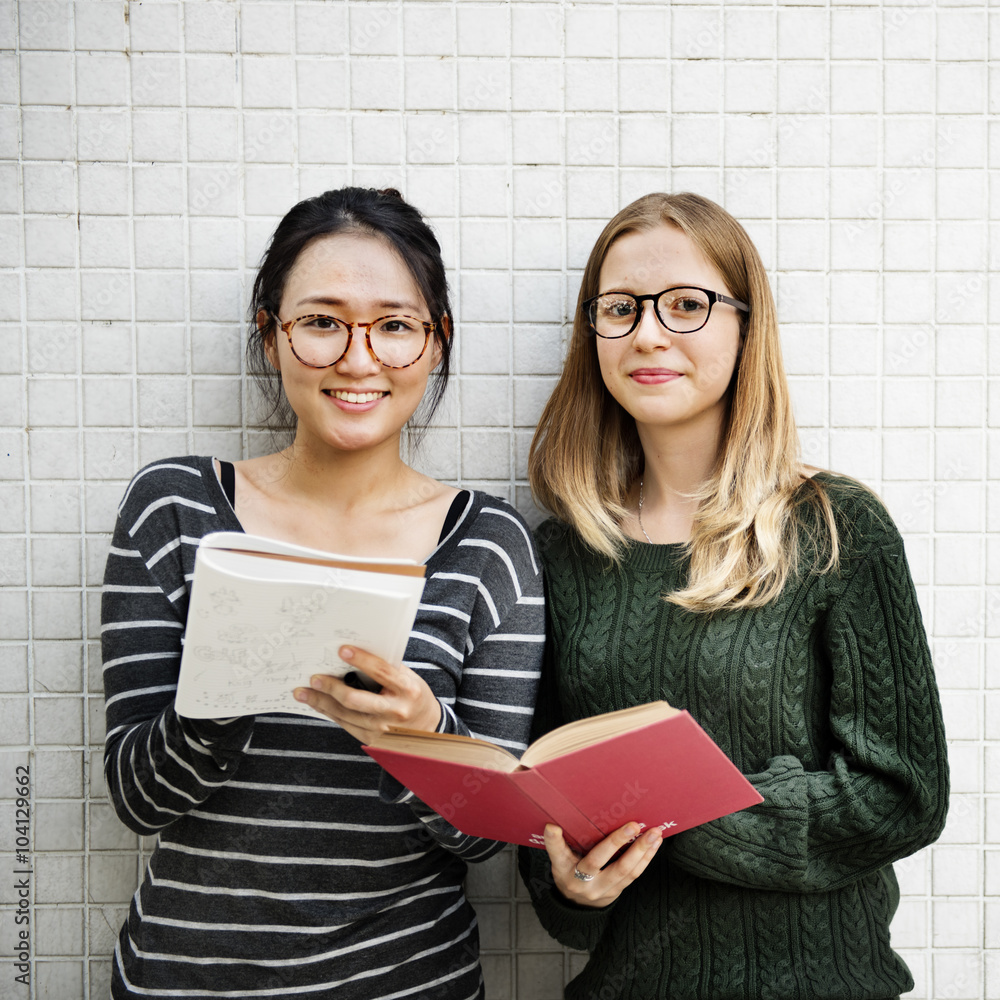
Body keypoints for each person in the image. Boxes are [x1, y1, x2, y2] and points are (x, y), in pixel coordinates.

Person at [101, 187, 544, 999]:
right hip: (185, 977)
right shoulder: (175, 510)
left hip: (408, 980)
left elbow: (488, 836)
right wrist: (225, 689)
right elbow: (137, 795)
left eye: (395, 326)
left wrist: (419, 734)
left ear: (435, 343)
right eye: (321, 322)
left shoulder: (489, 543)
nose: (358, 358)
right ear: (271, 336)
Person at [518, 191, 949, 1000]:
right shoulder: (563, 553)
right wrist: (571, 883)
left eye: (687, 305)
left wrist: (680, 821)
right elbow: (548, 824)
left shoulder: (835, 528)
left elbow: (904, 796)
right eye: (620, 309)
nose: (648, 333)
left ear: (747, 326)